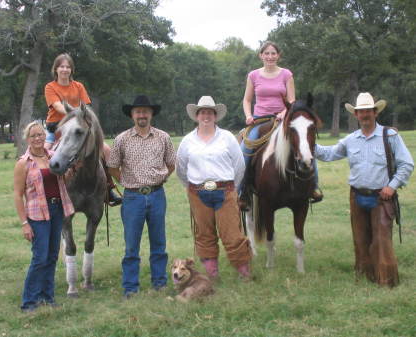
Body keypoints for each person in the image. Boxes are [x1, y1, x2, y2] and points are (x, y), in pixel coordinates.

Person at [315, 92, 414, 287]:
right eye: (361, 111)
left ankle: (386, 281)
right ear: (356, 115)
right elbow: (329, 154)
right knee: (360, 240)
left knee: (381, 240)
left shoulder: (390, 136)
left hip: (382, 197)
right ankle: (365, 277)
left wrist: (391, 187)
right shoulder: (351, 139)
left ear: (375, 112)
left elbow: (407, 164)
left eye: (368, 110)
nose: (365, 114)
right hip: (357, 195)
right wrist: (307, 143)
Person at [176, 96, 252, 280]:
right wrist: (192, 187)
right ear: (197, 116)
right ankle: (212, 276)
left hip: (225, 191)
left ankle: (245, 274)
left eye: (209, 112)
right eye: (202, 112)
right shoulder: (187, 141)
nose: (206, 116)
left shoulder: (227, 138)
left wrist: (231, 186)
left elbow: (239, 165)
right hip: (197, 193)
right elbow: (181, 169)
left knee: (232, 234)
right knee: (204, 235)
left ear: (215, 116)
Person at [107, 95, 176, 298]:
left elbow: (171, 163)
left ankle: (159, 283)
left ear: (151, 114)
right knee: (131, 245)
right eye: (138, 111)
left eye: (145, 111)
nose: (142, 115)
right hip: (133, 198)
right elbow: (112, 167)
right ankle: (130, 287)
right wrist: (128, 182)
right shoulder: (122, 139)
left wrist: (161, 178)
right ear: (132, 115)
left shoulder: (163, 137)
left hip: (156, 195)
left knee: (159, 243)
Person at [240, 41, 322, 207]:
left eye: (273, 53)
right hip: (259, 120)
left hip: (282, 120)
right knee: (245, 150)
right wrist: (249, 116)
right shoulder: (253, 75)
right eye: (267, 53)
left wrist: (283, 113)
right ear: (261, 56)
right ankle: (243, 191)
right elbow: (247, 99)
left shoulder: (286, 74)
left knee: (305, 146)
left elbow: (291, 100)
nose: (270, 57)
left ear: (278, 55)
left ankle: (314, 186)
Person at [13, 121, 75, 312]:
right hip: (37, 214)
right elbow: (17, 194)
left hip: (57, 211)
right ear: (28, 139)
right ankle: (29, 302)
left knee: (52, 256)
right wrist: (24, 223)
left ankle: (47, 297)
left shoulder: (53, 157)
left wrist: (70, 171)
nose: (38, 138)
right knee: (39, 258)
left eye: (40, 134)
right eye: (33, 136)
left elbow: (64, 180)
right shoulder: (23, 163)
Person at [44, 53, 120, 205]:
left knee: (105, 150)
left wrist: (81, 116)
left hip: (78, 127)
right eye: (61, 67)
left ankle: (108, 188)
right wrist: (75, 112)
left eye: (68, 67)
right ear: (56, 69)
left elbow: (86, 106)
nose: (65, 70)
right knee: (43, 153)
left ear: (71, 70)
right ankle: (47, 192)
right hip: (57, 128)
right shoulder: (50, 87)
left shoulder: (78, 86)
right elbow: (58, 106)